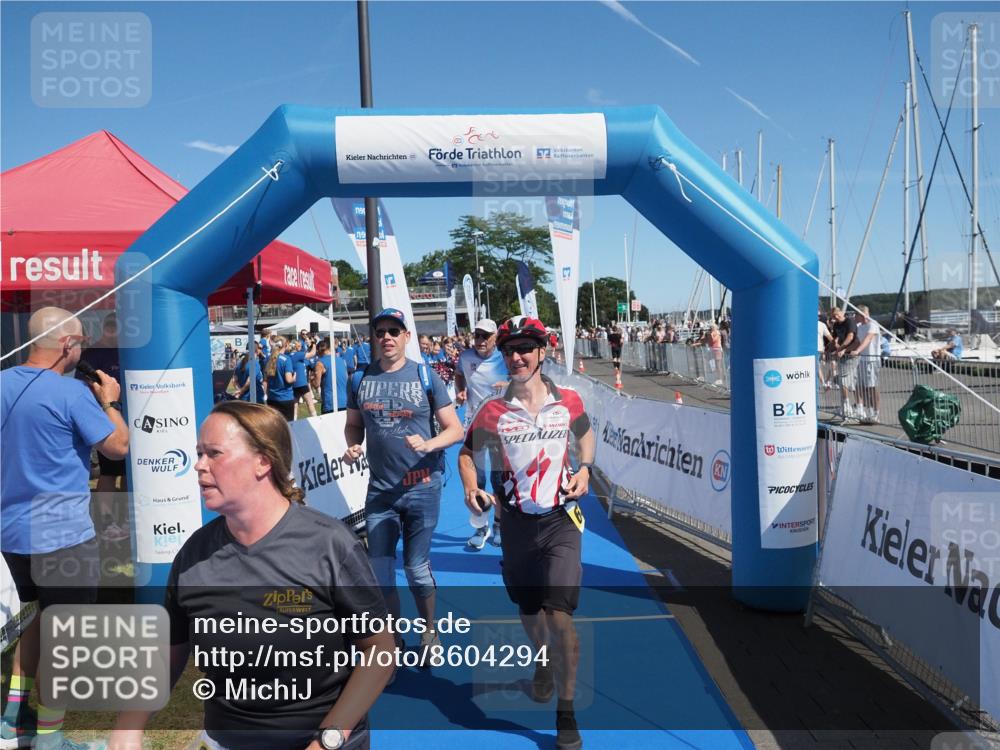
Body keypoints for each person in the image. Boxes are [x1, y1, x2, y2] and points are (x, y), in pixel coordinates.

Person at [108, 401, 393, 750]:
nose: (198, 466)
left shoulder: (330, 545)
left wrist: (328, 739)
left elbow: (380, 650)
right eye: (199, 453)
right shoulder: (194, 556)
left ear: (263, 461)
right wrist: (128, 727)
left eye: (214, 453)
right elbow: (168, 653)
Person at [458, 315, 595, 750]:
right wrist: (471, 487)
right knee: (530, 611)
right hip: (515, 524)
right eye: (508, 350)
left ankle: (566, 714)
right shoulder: (492, 410)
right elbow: (467, 453)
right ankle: (540, 661)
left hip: (560, 521)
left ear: (542, 353)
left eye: (525, 349)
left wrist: (587, 468)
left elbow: (585, 433)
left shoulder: (568, 400)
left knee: (560, 618)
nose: (516, 357)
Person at [1, 307, 129, 750]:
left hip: (12, 535)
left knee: (38, 624)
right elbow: (119, 445)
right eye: (80, 343)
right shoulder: (73, 392)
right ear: (67, 347)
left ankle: (13, 719)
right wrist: (109, 401)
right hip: (63, 537)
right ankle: (51, 738)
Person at [342, 309, 464, 664]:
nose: (387, 337)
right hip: (380, 491)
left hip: (422, 487)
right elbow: (353, 425)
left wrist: (429, 445)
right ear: (374, 338)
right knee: (380, 574)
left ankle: (429, 629)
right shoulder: (359, 379)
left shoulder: (426, 376)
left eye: (394, 331)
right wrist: (353, 444)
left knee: (416, 567)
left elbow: (454, 430)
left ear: (406, 336)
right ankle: (391, 641)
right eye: (380, 332)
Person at [454, 319, 508, 550]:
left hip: (499, 426)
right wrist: (460, 391)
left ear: (495, 337)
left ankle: (498, 524)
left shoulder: (505, 358)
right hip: (475, 426)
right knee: (478, 480)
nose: (481, 340)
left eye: (486, 336)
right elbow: (458, 375)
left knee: (498, 480)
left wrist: (507, 383)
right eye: (477, 335)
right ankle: (480, 526)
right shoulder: (466, 358)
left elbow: (523, 380)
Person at [78, 312, 130, 543]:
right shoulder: (92, 356)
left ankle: (129, 519)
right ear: (110, 329)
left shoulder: (127, 350)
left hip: (134, 421)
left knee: (131, 471)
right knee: (109, 472)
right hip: (106, 421)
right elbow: (83, 389)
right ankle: (107, 522)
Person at [851, 306, 882, 424]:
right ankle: (868, 412)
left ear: (862, 315)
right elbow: (858, 342)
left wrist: (857, 351)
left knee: (872, 387)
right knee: (862, 387)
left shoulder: (873, 324)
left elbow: (868, 339)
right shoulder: (860, 327)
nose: (854, 317)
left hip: (872, 360)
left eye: (856, 315)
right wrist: (842, 350)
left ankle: (876, 413)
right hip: (862, 361)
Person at [829, 307, 859, 421]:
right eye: (833, 316)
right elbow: (835, 337)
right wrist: (834, 344)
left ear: (841, 312)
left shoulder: (849, 321)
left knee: (846, 380)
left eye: (837, 314)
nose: (836, 317)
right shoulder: (836, 325)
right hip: (842, 354)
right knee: (843, 380)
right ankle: (846, 405)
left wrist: (841, 348)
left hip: (851, 351)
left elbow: (850, 336)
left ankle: (850, 406)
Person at [264, 336, 296, 421]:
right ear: (285, 345)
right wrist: (294, 377)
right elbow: (288, 379)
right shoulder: (286, 359)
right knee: (288, 426)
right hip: (285, 398)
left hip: (272, 398)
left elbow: (265, 380)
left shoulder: (268, 358)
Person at [313, 339, 349, 413]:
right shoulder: (342, 360)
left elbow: (316, 384)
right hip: (345, 401)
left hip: (330, 403)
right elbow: (347, 379)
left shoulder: (320, 363)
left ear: (319, 350)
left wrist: (311, 378)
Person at [290, 337, 318, 419]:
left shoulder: (288, 355)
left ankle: (293, 422)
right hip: (301, 383)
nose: (301, 347)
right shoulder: (298, 355)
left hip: (294, 384)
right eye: (299, 346)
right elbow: (312, 353)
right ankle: (315, 420)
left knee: (295, 405)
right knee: (310, 402)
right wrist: (314, 344)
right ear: (296, 347)